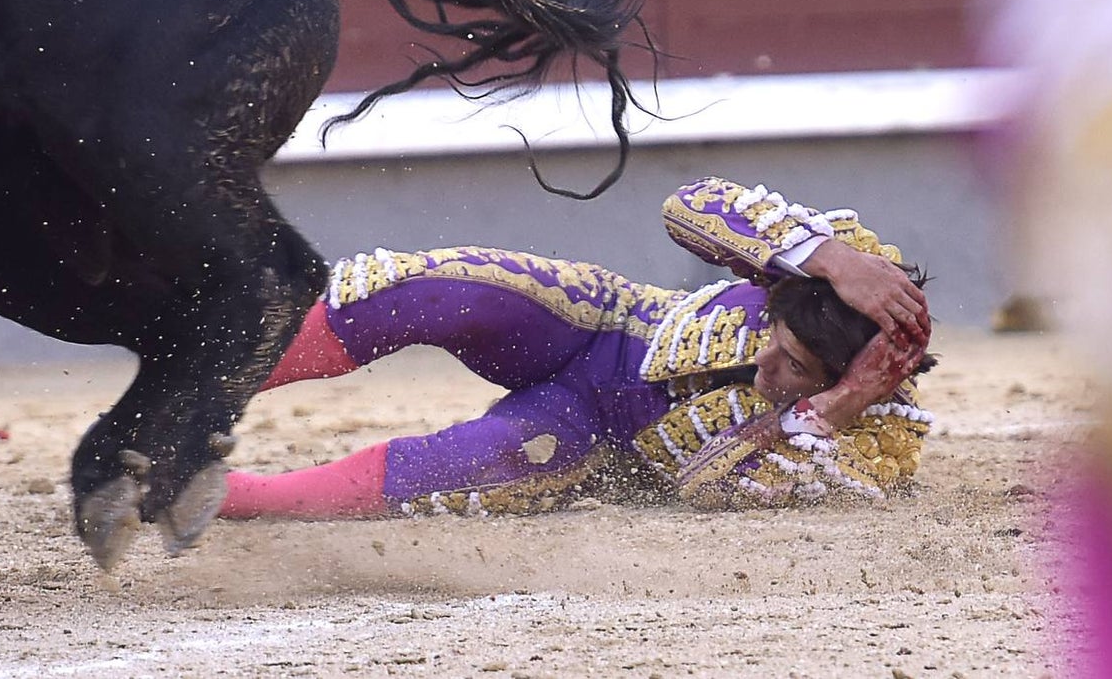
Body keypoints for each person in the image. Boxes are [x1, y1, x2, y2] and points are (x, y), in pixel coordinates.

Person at [219, 177, 934, 520]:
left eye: (797, 371)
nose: (768, 367)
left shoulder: (879, 440)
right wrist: (827, 255)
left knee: (449, 472)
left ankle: (223, 498)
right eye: (775, 340)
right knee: (438, 290)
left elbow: (708, 489)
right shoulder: (839, 272)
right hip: (601, 318)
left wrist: (834, 409)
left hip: (590, 435)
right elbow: (689, 205)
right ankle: (204, 384)